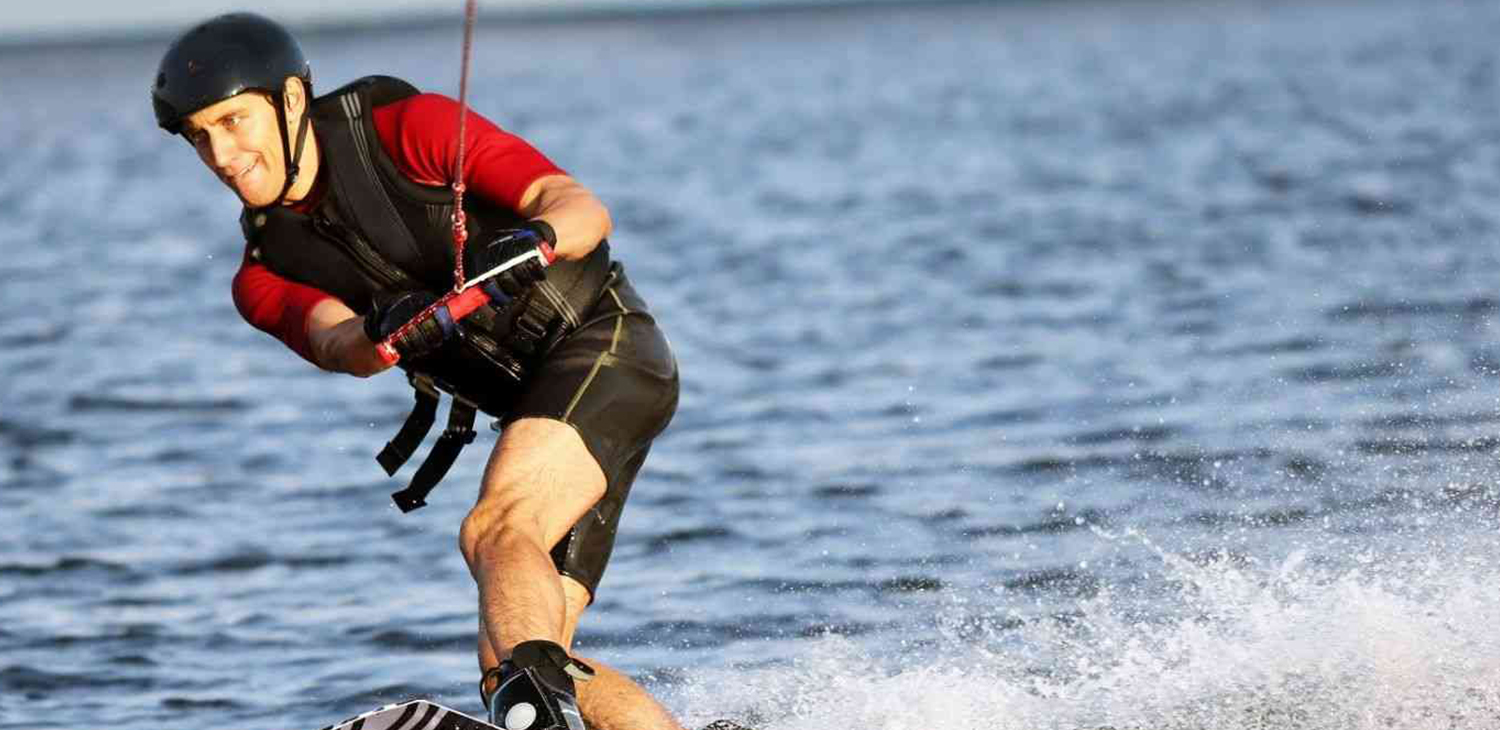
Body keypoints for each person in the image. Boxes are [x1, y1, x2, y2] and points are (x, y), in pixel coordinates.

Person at [151, 13, 683, 730]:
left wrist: (534, 241)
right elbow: (342, 347)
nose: (222, 152)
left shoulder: (409, 129)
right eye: (200, 137)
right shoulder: (262, 273)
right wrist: (383, 326)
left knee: (495, 531)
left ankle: (538, 723)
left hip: (602, 347)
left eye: (235, 121)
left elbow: (581, 209)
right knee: (518, 656)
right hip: (533, 410)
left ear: (292, 99)